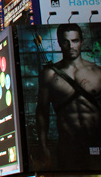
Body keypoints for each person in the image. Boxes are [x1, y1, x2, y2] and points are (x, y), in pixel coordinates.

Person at [35, 23, 101, 168]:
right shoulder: (49, 75)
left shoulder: (97, 72)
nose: (71, 46)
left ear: (81, 41)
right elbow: (42, 112)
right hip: (68, 144)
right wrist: (43, 144)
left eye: (75, 41)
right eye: (66, 41)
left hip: (96, 141)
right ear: (59, 43)